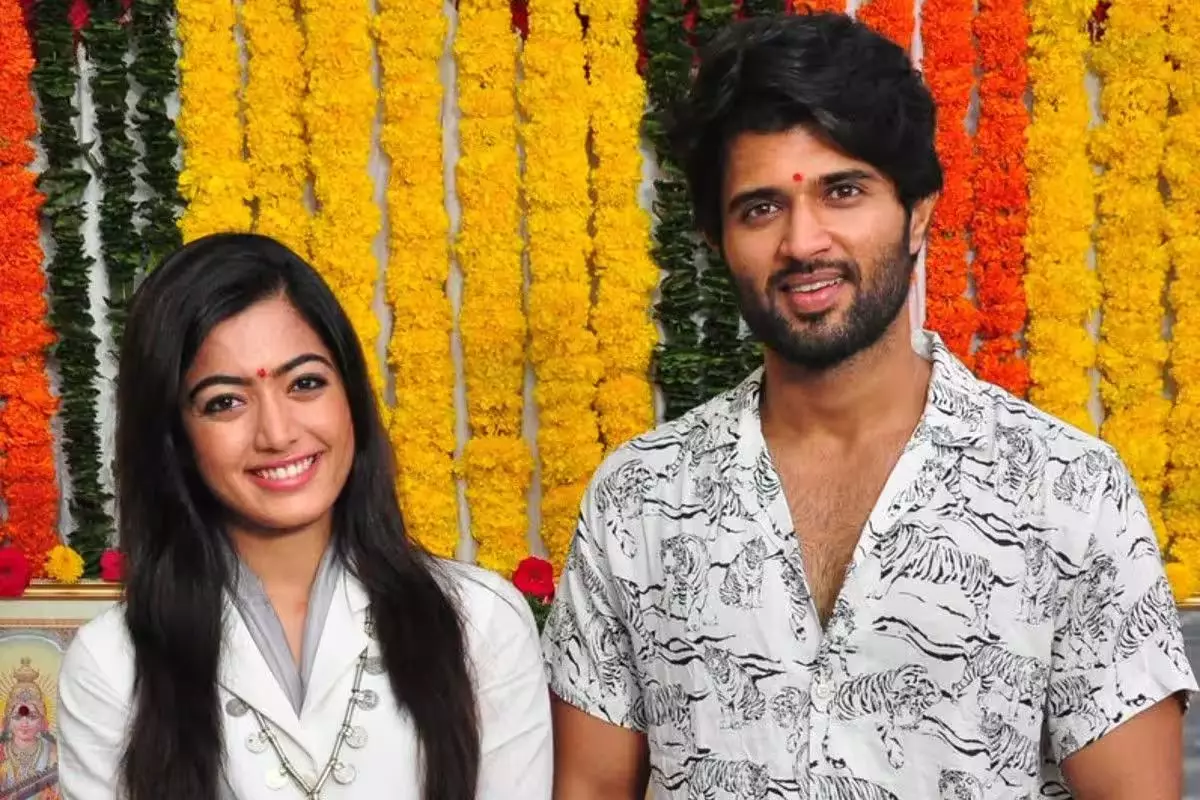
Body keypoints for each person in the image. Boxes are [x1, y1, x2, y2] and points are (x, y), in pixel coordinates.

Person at [542, 12, 1197, 800]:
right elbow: (591, 787)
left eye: (843, 191)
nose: (803, 242)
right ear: (717, 240)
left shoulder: (1066, 490)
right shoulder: (638, 500)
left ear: (918, 211)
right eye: (760, 208)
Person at [56, 233, 552, 800]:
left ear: (352, 397)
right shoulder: (111, 664)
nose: (277, 433)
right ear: (175, 438)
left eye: (306, 383)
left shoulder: (481, 621)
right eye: (225, 401)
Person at [0, 658, 61, 799]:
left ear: (42, 721)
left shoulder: (54, 753)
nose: (24, 723)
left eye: (32, 717)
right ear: (8, 720)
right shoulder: (1, 752)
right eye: (17, 717)